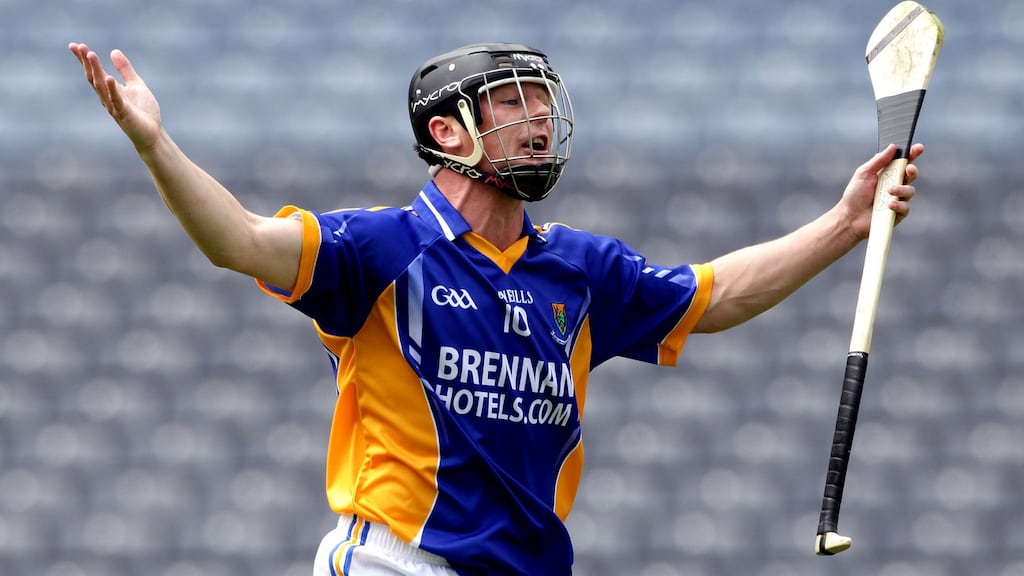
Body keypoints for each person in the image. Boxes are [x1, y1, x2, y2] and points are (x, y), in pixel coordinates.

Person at [68, 40, 922, 576]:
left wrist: (844, 224)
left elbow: (718, 294)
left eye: (543, 100)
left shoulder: (580, 270)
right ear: (447, 133)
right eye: (513, 101)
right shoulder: (381, 247)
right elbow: (240, 241)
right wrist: (155, 142)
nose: (539, 116)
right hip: (397, 562)